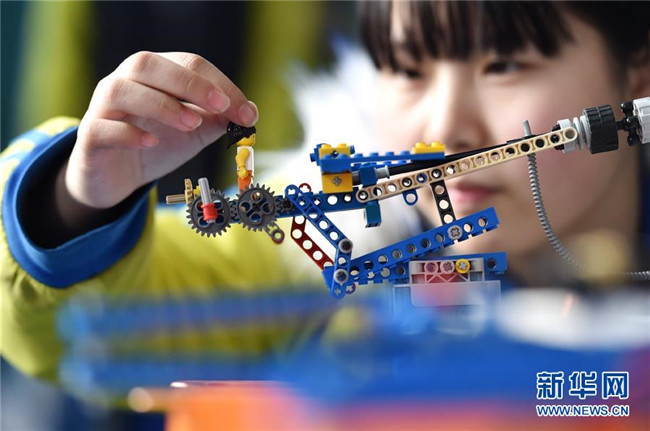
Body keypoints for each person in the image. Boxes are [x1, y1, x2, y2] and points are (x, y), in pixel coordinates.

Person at [1, 0, 648, 386]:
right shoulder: (323, 255)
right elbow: (92, 330)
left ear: (637, 75)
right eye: (407, 69)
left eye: (504, 65)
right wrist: (71, 205)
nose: (447, 126)